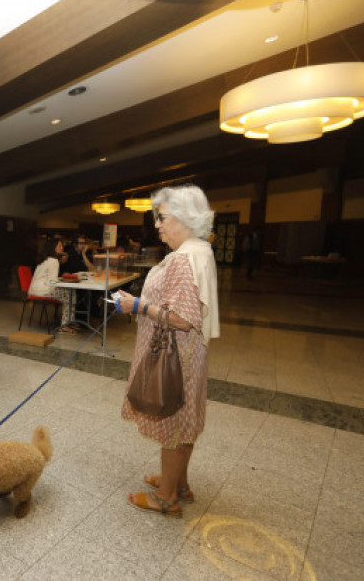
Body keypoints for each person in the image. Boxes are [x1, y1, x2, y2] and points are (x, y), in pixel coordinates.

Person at [115, 185, 219, 517]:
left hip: (175, 357)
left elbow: (184, 320)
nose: (157, 225)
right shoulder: (201, 251)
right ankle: (179, 483)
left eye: (162, 218)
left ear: (184, 218)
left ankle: (166, 497)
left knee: (172, 420)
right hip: (191, 355)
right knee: (184, 419)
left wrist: (138, 305)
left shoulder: (182, 258)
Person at [28, 238, 77, 334]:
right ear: (53, 248)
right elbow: (53, 281)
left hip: (33, 290)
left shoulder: (44, 259)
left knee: (67, 293)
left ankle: (67, 322)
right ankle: (65, 325)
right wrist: (63, 280)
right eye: (59, 246)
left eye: (62, 245)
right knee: (70, 294)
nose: (62, 247)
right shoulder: (54, 261)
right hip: (44, 290)